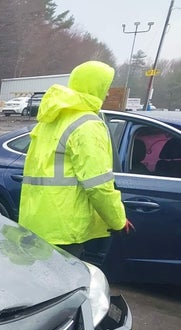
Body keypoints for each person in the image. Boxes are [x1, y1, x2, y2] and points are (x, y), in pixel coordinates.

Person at [19, 60, 133, 258]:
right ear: (94, 87)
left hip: (36, 221)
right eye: (105, 87)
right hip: (64, 229)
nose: (106, 94)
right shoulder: (87, 124)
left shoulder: (52, 118)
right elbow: (98, 184)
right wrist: (117, 220)